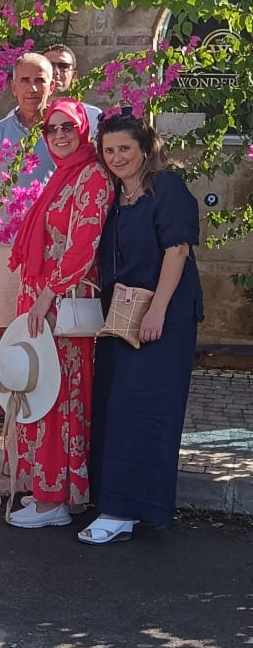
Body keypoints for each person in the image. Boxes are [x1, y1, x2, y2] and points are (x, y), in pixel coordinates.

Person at [81, 113, 204, 545]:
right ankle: (117, 504)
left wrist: (158, 310)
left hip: (162, 318)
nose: (116, 157)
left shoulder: (166, 187)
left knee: (142, 410)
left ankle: (123, 510)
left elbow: (177, 250)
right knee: (114, 407)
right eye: (109, 150)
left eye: (125, 149)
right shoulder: (116, 196)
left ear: (145, 148)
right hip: (121, 317)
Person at [3, 99, 113, 529]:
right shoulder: (63, 175)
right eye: (52, 129)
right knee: (38, 391)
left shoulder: (92, 175)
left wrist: (47, 295)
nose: (60, 135)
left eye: (68, 127)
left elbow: (83, 245)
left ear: (83, 130)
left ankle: (55, 501)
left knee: (58, 397)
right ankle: (45, 488)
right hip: (42, 300)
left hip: (61, 302)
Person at [0, 51, 55, 430]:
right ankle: (0, 400)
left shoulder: (63, 129)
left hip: (54, 248)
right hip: (7, 247)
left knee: (51, 326)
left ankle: (47, 402)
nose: (33, 88)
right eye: (25, 81)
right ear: (13, 86)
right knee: (5, 326)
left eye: (40, 80)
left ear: (53, 85)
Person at [45, 43, 101, 136]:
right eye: (49, 66)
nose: (56, 72)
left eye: (63, 66)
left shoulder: (92, 116)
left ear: (74, 76)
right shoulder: (23, 117)